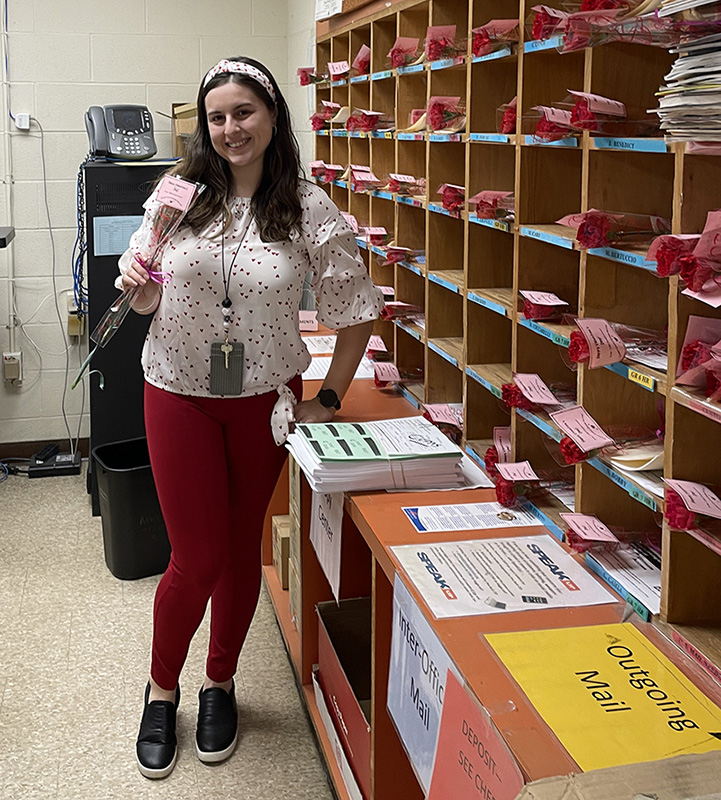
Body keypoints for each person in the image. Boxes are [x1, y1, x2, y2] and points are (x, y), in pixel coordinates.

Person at [117, 56, 383, 779]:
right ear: (204, 127)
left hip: (263, 401)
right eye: (217, 117)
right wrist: (138, 283)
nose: (230, 128)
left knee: (238, 553)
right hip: (176, 392)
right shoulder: (177, 198)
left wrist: (326, 396)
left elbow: (356, 311)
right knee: (195, 557)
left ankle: (220, 682)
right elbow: (145, 300)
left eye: (244, 112)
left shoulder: (307, 205)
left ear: (271, 115)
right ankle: (161, 687)